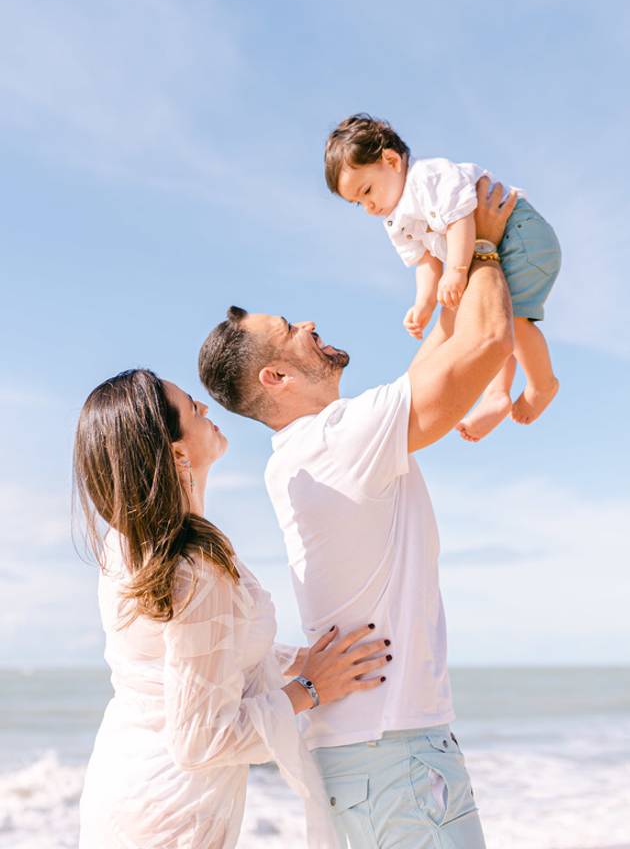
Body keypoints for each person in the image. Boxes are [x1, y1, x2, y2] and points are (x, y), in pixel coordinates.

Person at [198, 180, 515, 848]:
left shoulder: (305, 452)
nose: (309, 325)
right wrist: (485, 243)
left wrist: (447, 259)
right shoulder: (336, 440)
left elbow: (440, 354)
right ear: (276, 378)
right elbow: (484, 342)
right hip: (394, 756)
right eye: (290, 331)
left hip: (375, 756)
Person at [74, 368, 391, 849]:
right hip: (172, 817)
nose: (207, 408)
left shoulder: (131, 546)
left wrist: (299, 659)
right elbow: (204, 739)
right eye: (192, 408)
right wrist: (311, 688)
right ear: (176, 453)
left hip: (124, 786)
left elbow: (196, 653)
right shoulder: (192, 567)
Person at [324, 113, 561, 441]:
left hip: (520, 235)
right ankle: (497, 393)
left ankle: (542, 384)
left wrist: (458, 270)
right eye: (358, 203)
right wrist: (423, 304)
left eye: (367, 191)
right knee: (490, 315)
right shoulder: (395, 220)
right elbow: (425, 262)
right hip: (492, 248)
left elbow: (460, 219)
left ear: (391, 161)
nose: (369, 206)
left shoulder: (428, 177)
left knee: (513, 320)